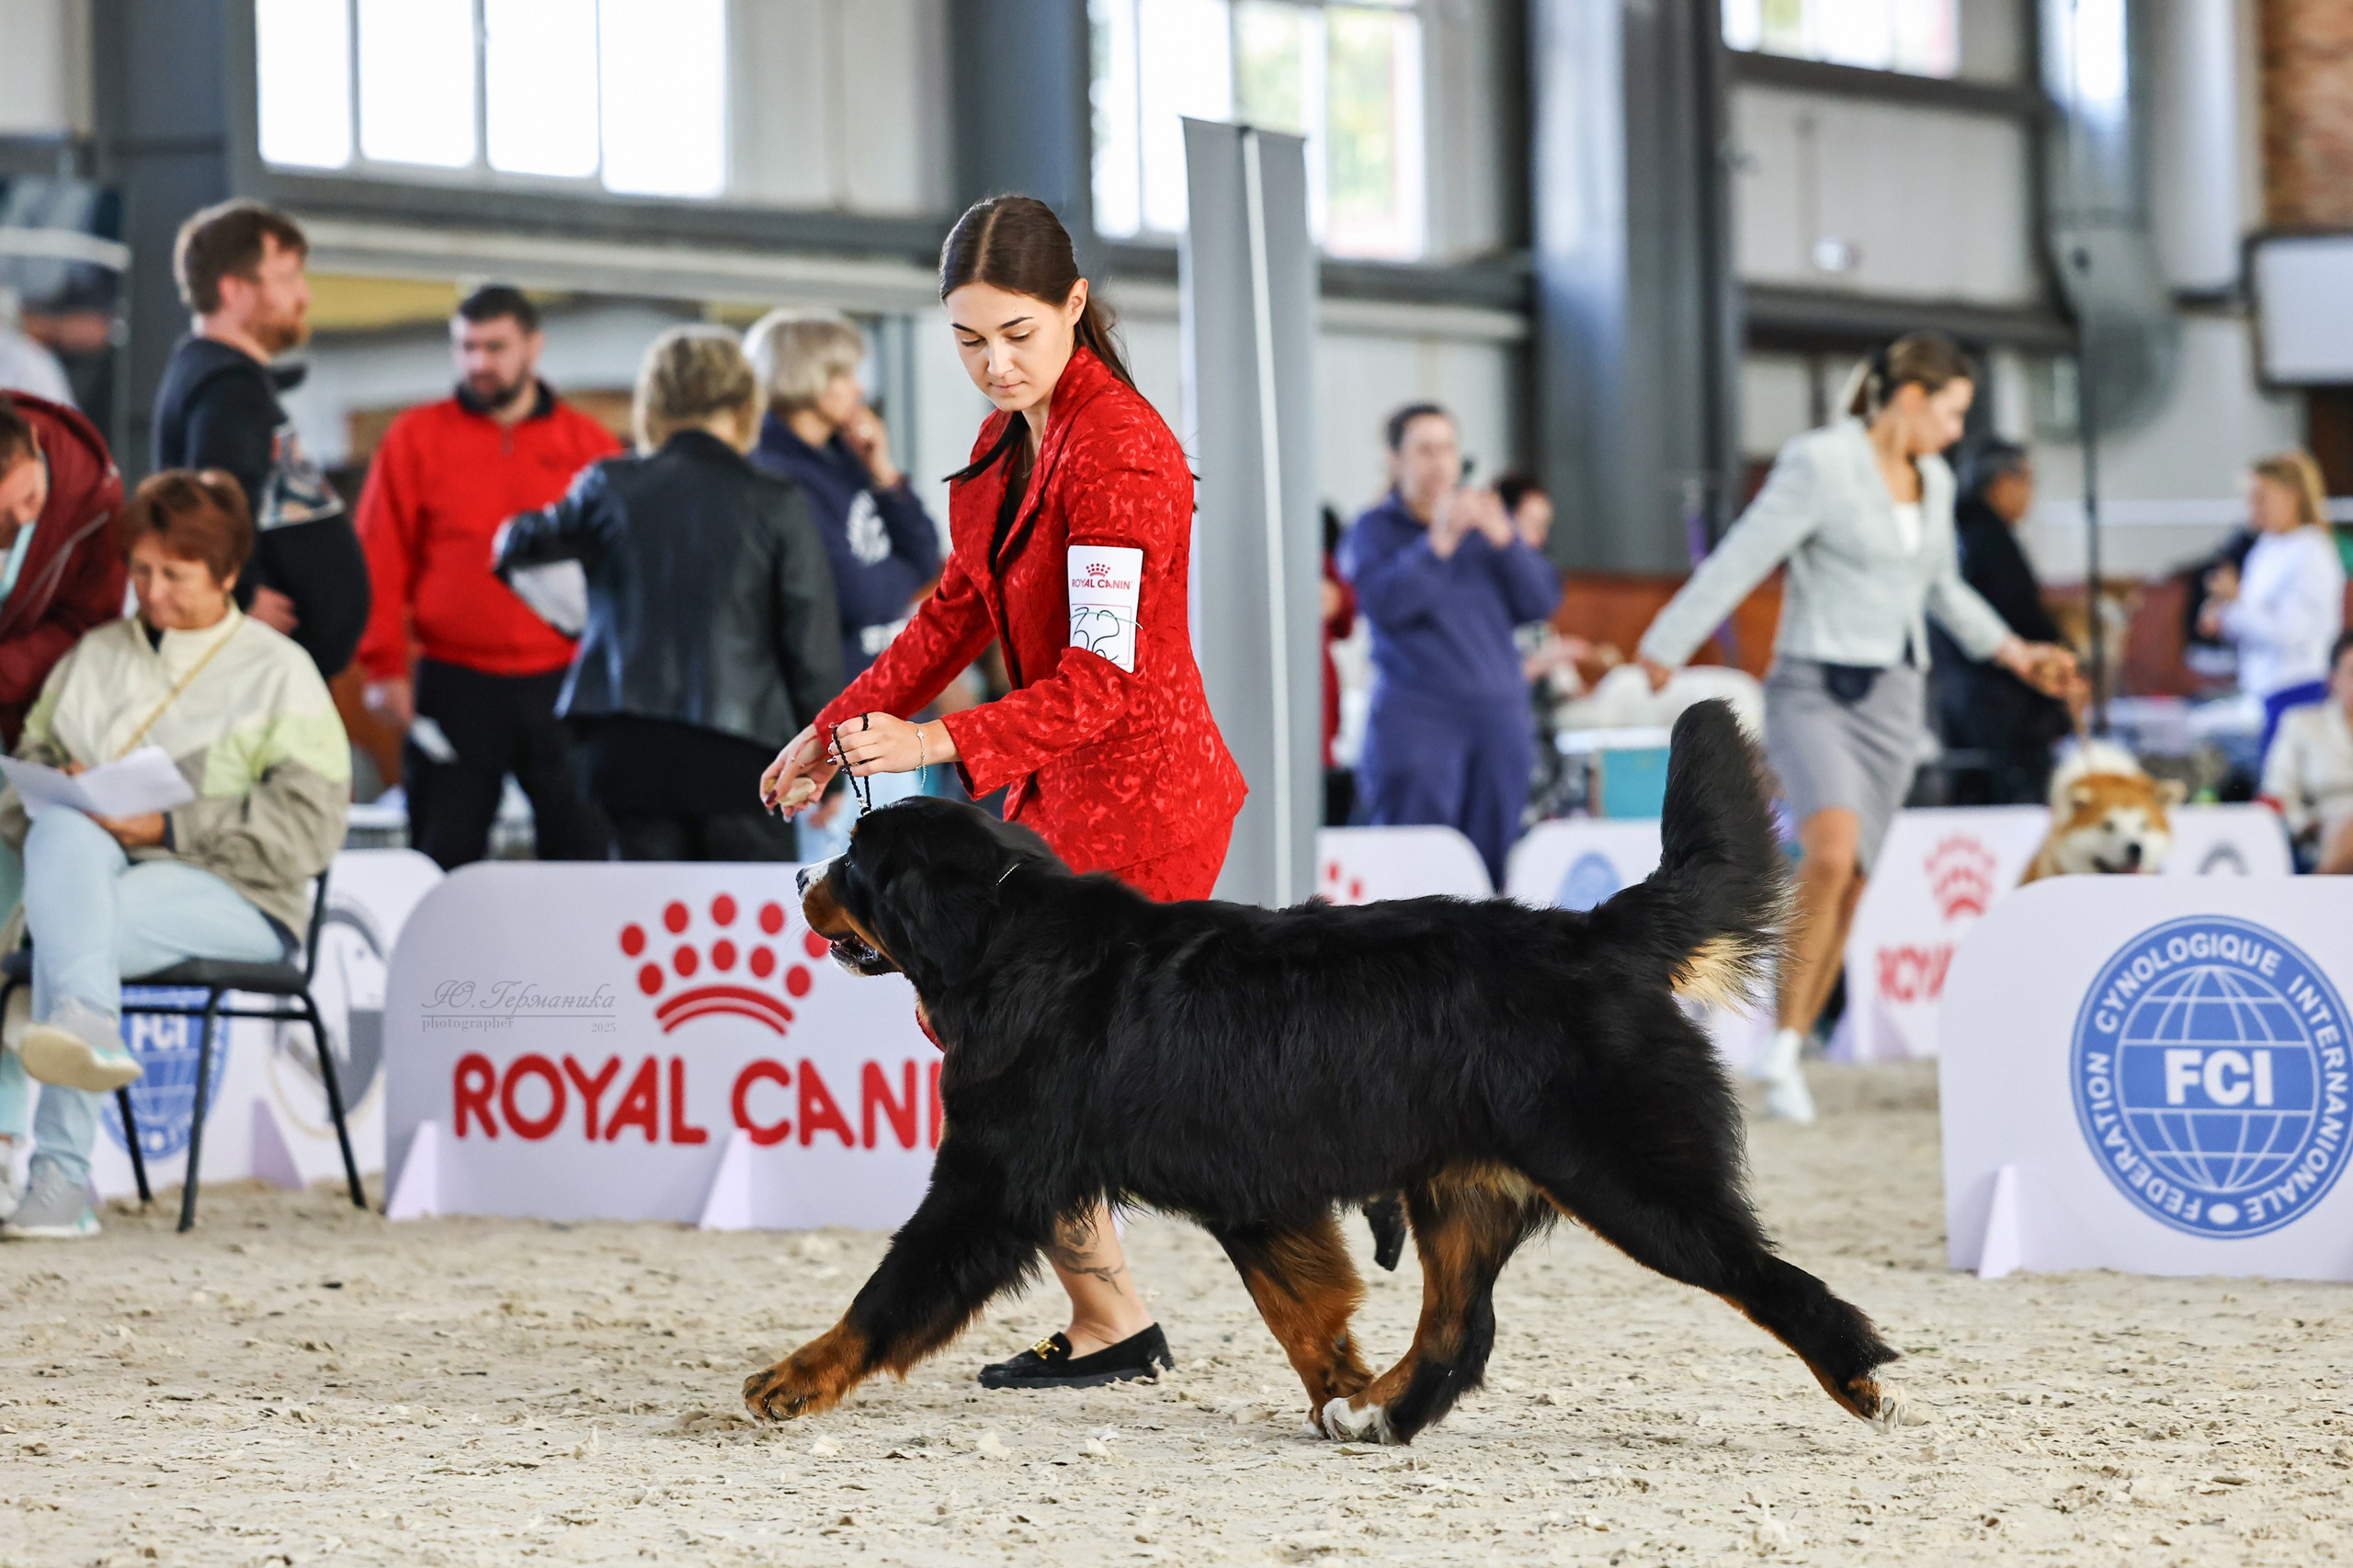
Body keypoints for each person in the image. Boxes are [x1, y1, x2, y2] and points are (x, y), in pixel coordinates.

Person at [759, 193, 1245, 1391]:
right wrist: (828, 728)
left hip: (1144, 796)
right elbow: (955, 613)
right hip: (1058, 792)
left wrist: (926, 744)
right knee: (1010, 1062)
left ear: (1075, 305)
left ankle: (1127, 1305)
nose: (994, 362)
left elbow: (1099, 684)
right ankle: (1111, 1315)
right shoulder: (1001, 447)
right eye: (970, 338)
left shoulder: (1121, 449)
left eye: (1019, 333)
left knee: (1022, 1067)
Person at [1634, 333, 2075, 1124]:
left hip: (1897, 700)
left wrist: (2018, 653)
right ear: (1909, 398)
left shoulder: (1935, 482)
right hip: (1815, 689)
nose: (1954, 431)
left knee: (1859, 875)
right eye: (1950, 411)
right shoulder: (1821, 462)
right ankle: (1776, 1030)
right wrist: (1669, 640)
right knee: (1830, 854)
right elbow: (1743, 555)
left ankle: (1787, 1048)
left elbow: (1944, 590)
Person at [0, 471, 349, 1240]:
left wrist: (165, 830)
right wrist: (62, 786)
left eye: (175, 575)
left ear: (227, 574)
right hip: (90, 875)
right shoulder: (95, 655)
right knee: (62, 832)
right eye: (141, 571)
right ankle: (84, 1034)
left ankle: (56, 1175)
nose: (152, 593)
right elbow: (27, 769)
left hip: (242, 896)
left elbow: (310, 829)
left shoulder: (279, 669)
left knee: (71, 936)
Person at [494, 326, 842, 862]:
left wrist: (579, 612)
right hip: (744, 752)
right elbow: (810, 645)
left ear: (652, 401)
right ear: (747, 400)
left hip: (624, 748)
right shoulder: (776, 500)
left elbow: (517, 546)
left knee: (642, 932)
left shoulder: (608, 485)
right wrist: (828, 760)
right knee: (741, 932)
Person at [353, 284, 620, 869]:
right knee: (441, 852)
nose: (479, 362)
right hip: (455, 683)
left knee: (582, 851)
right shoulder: (414, 438)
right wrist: (382, 665)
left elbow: (621, 570)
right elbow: (380, 554)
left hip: (564, 683)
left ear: (533, 346)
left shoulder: (588, 445)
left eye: (495, 347)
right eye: (466, 347)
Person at [0, 392, 130, 1211]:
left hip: (24, 753)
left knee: (25, 945)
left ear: (36, 455)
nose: (13, 532)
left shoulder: (94, 501)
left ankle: (33, 1155)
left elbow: (85, 625)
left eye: (21, 508)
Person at [1340, 405, 1561, 887]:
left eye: (1448, 448)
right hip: (1420, 722)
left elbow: (1540, 600)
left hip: (1499, 722)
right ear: (1395, 459)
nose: (1439, 462)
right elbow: (1383, 604)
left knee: (1492, 870)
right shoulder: (1374, 531)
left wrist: (1506, 540)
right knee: (1417, 866)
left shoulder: (1487, 530)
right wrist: (1438, 541)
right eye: (1424, 449)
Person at [151, 200, 369, 680]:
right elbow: (213, 500)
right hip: (256, 665)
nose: (304, 296)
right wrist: (237, 598)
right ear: (234, 290)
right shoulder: (227, 386)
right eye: (288, 278)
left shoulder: (213, 374)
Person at [744, 311, 943, 681]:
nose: (859, 389)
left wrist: (882, 471)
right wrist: (907, 575)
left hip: (887, 684)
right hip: (834, 699)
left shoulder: (849, 455)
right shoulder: (776, 476)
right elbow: (854, 598)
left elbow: (925, 554)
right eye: (844, 374)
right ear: (807, 378)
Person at [1928, 440, 2075, 804]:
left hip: (1958, 694)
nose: (2031, 494)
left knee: (1972, 796)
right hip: (2000, 702)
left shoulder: (1957, 531)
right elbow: (2019, 614)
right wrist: (2052, 654)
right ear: (2003, 481)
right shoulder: (1989, 539)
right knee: (2008, 805)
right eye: (2028, 481)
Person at [2198, 449, 2347, 757]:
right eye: (2249, 497)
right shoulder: (2265, 548)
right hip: (2261, 687)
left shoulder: (2311, 552)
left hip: (2298, 688)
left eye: (2261, 496)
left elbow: (2288, 635)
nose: (2252, 507)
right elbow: (2252, 619)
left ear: (2292, 496)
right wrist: (2222, 614)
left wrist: (2236, 601)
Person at [2261, 630, 2353, 874]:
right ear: (2332, 679)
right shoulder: (2301, 723)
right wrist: (2306, 824)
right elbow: (2277, 792)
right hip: (2321, 832)